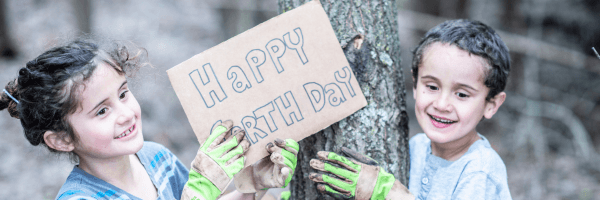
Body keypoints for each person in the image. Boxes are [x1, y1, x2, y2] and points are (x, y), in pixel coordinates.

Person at [0, 39, 299, 200]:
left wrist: (252, 185)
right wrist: (200, 191)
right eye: (102, 111)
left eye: (123, 93)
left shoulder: (157, 159)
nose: (126, 113)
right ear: (62, 139)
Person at [308, 19, 512, 200]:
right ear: (415, 85)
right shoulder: (416, 147)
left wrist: (390, 195)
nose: (441, 104)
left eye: (462, 94)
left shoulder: (481, 171)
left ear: (491, 104)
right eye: (432, 87)